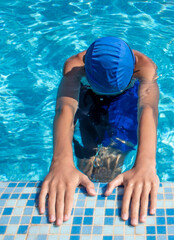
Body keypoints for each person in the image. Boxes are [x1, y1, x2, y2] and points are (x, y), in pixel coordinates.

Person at [38, 37, 160, 227]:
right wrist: (60, 163)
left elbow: (148, 109)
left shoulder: (145, 67)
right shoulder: (74, 66)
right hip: (89, 96)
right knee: (87, 159)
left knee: (107, 169)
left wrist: (146, 163)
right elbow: (65, 109)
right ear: (84, 64)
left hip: (126, 99)